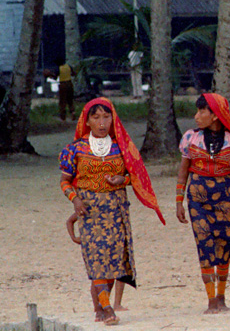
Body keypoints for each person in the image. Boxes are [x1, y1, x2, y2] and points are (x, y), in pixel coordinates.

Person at [59, 97, 165, 325]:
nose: (101, 122)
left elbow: (135, 176)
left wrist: (122, 179)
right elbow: (65, 182)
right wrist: (75, 199)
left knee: (113, 261)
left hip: (116, 211)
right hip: (89, 211)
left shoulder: (122, 147)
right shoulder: (75, 149)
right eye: (96, 117)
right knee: (96, 259)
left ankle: (99, 306)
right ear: (86, 121)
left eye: (106, 116)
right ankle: (108, 309)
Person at [176, 93, 230, 314]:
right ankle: (211, 300)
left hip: (226, 198)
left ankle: (221, 296)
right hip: (198, 199)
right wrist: (179, 202)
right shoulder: (190, 139)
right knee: (204, 244)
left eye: (202, 111)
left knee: (225, 244)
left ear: (215, 116)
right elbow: (183, 173)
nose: (196, 116)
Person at [66, 213, 127, 318]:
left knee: (109, 276)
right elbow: (69, 221)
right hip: (93, 245)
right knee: (97, 277)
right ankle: (101, 307)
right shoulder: (87, 207)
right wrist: (74, 237)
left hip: (108, 244)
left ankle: (102, 305)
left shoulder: (107, 209)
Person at [46, 57, 75, 121]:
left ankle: (63, 117)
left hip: (63, 85)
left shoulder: (59, 68)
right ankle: (73, 113)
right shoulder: (68, 66)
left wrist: (49, 75)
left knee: (63, 101)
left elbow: (55, 77)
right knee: (70, 100)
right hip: (70, 84)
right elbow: (73, 74)